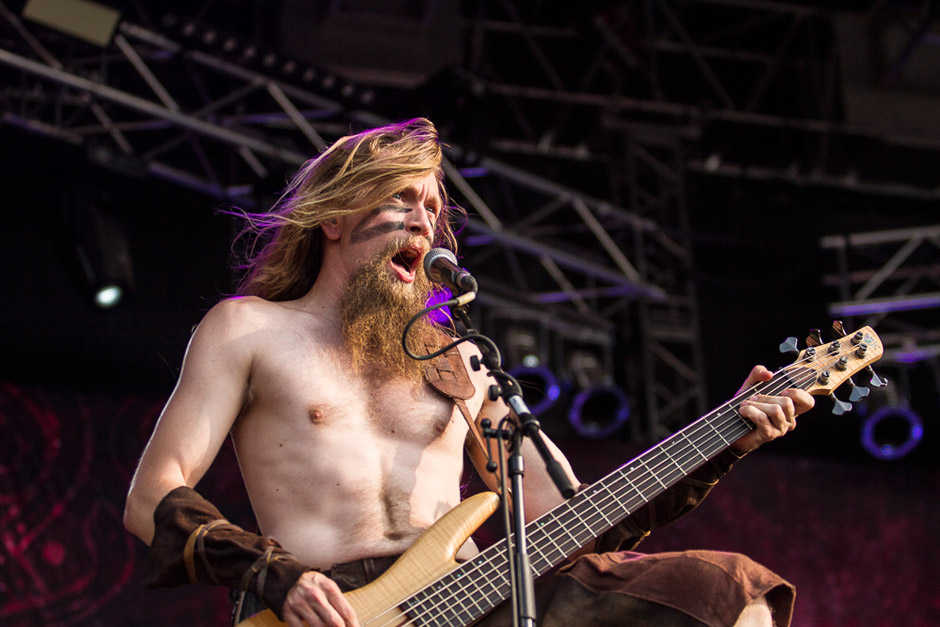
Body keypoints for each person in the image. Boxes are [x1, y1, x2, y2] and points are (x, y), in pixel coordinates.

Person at [124, 118, 814, 627]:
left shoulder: (462, 359)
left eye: (432, 207)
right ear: (334, 219)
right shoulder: (250, 329)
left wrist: (729, 436)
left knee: (729, 594)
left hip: (468, 597)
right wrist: (278, 576)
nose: (423, 222)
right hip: (327, 605)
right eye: (399, 199)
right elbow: (151, 494)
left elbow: (570, 519)